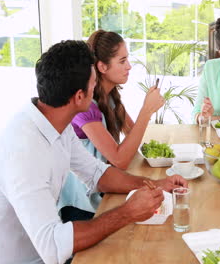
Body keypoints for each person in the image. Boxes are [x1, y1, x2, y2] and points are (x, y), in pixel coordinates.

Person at [0, 40, 187, 264]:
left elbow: (98, 174)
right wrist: (127, 212)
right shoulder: (24, 151)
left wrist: (155, 184)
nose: (97, 90)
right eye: (94, 85)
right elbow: (53, 247)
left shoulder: (54, 123)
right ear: (79, 97)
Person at [58, 30, 165, 222]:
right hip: (81, 206)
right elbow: (119, 160)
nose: (129, 66)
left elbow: (133, 133)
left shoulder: (111, 98)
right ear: (102, 67)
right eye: (122, 61)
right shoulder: (86, 107)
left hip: (103, 190)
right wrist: (147, 110)